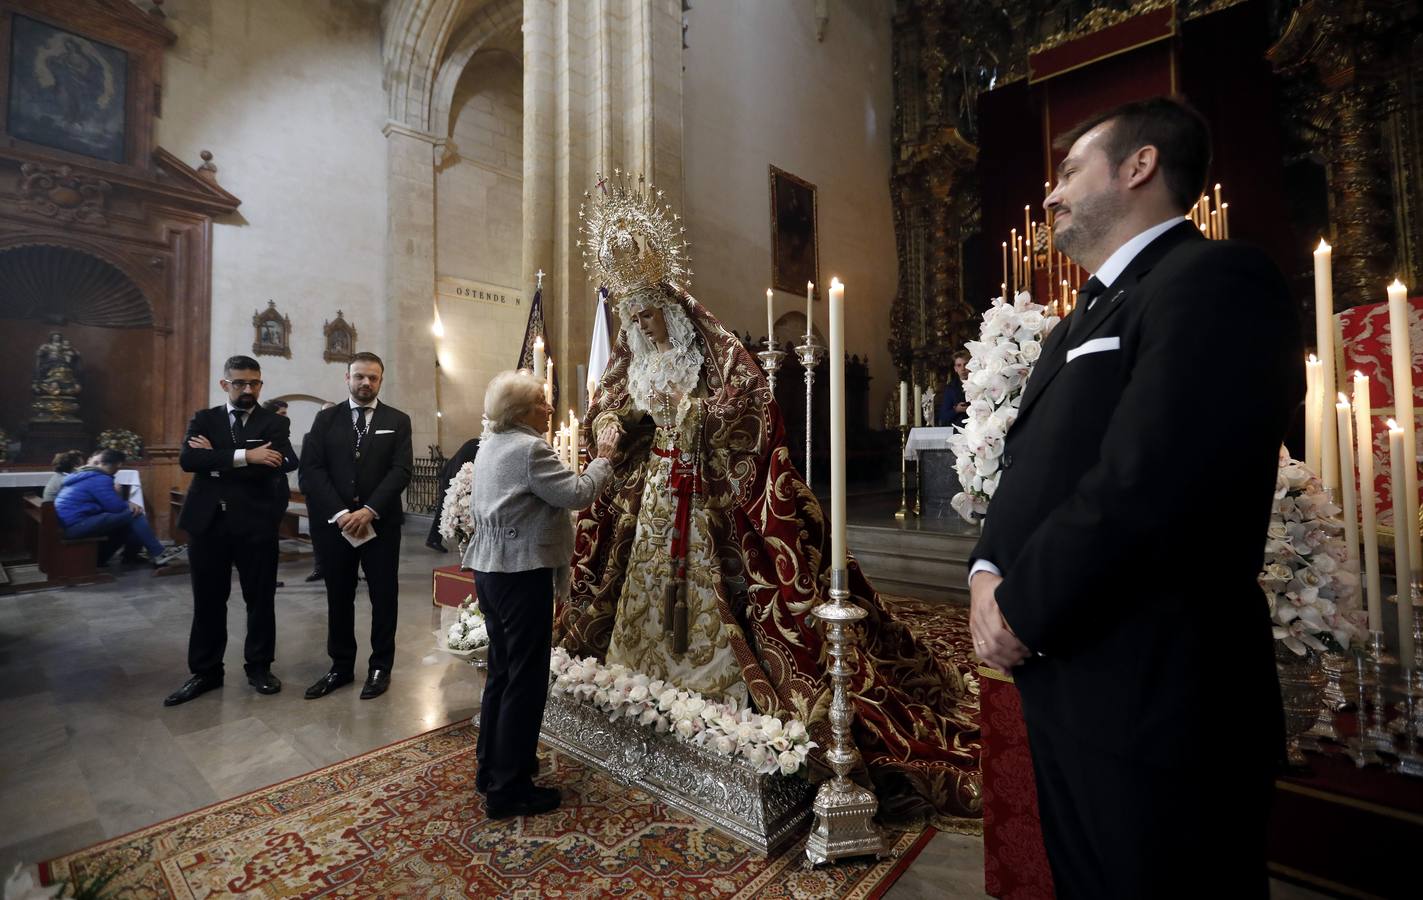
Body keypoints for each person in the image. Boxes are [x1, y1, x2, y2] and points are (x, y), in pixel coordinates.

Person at [558, 174, 980, 817]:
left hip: (704, 498)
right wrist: (613, 424)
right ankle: (644, 679)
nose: (639, 322)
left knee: (719, 594)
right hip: (655, 497)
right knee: (640, 595)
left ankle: (721, 690)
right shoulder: (629, 356)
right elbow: (609, 411)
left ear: (667, 301)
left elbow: (749, 398)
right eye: (630, 311)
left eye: (647, 310)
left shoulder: (713, 347)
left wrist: (695, 412)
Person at [967, 97, 1302, 897]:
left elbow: (1150, 478)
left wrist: (1021, 607)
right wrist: (986, 571)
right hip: (1071, 674)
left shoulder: (1214, 278)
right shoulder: (1078, 315)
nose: (1049, 196)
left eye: (1068, 170)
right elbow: (1033, 468)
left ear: (1138, 166)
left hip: (1159, 688)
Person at [464, 370, 617, 818]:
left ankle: (491, 767)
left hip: (492, 571)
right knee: (526, 680)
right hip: (521, 572)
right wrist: (603, 457)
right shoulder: (530, 448)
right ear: (519, 412)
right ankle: (509, 790)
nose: (549, 409)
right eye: (541, 403)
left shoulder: (490, 444)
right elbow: (577, 493)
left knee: (502, 671)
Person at [163, 356, 297, 705]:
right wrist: (245, 456)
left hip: (256, 523)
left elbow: (273, 465)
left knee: (260, 600)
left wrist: (219, 459)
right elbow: (189, 461)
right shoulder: (204, 419)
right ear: (225, 384)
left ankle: (259, 667)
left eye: (254, 383)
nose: (248, 389)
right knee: (208, 601)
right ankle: (206, 672)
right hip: (208, 525)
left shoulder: (274, 423)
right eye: (239, 383)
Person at [300, 352, 413, 701]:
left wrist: (369, 509)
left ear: (381, 380)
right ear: (346, 378)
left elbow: (401, 470)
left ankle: (381, 666)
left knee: (383, 596)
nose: (366, 383)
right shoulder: (326, 420)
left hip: (380, 525)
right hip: (336, 527)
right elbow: (312, 470)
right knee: (339, 596)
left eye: (373, 378)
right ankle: (341, 666)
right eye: (359, 377)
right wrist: (340, 512)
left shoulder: (397, 419)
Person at [54, 449, 179, 568]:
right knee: (135, 513)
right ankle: (158, 553)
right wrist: (127, 503)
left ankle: (109, 558)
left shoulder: (84, 475)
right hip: (75, 526)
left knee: (125, 524)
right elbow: (115, 507)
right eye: (118, 467)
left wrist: (124, 503)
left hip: (68, 524)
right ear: (116, 465)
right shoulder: (99, 478)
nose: (117, 470)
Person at [303, 401, 338, 583]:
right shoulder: (310, 437)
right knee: (317, 533)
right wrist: (306, 490)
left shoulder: (347, 436)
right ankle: (320, 568)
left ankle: (346, 568)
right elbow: (305, 467)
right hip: (315, 496)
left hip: (338, 497)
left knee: (341, 536)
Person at [426, 436, 481, 552]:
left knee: (447, 510)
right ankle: (434, 540)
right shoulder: (475, 445)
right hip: (450, 478)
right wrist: (457, 485)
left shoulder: (476, 445)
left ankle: (434, 539)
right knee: (444, 509)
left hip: (452, 477)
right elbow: (459, 463)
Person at [934, 351, 971, 427]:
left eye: (965, 364)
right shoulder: (951, 388)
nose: (963, 369)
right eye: (959, 365)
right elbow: (943, 417)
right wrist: (956, 410)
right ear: (955, 369)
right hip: (960, 429)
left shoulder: (980, 383)